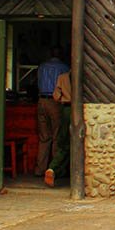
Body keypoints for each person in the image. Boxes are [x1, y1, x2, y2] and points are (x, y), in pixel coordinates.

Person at [35, 47, 70, 177]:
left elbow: (37, 82)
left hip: (41, 101)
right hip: (55, 102)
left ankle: (40, 169)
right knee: (57, 136)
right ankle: (56, 170)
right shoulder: (64, 68)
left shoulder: (42, 67)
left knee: (44, 137)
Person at [44, 69, 72, 187]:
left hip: (66, 108)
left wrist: (63, 99)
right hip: (79, 109)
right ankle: (56, 169)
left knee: (63, 141)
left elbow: (55, 96)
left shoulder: (62, 77)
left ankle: (54, 169)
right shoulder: (83, 76)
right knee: (72, 143)